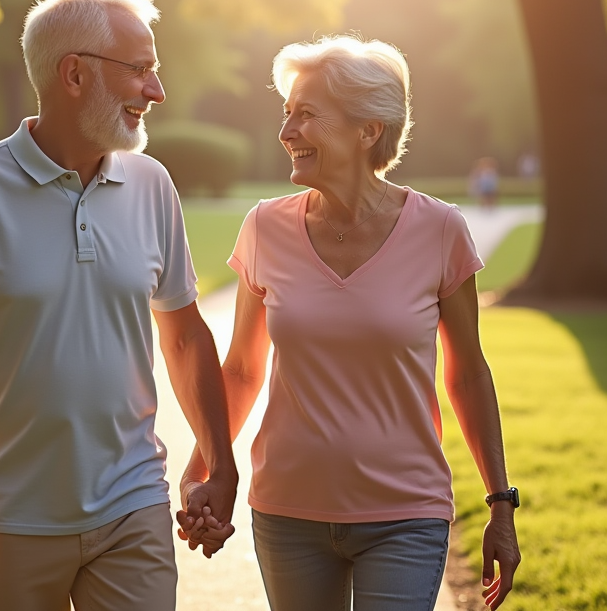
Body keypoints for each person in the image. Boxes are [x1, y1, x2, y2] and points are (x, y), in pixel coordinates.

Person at [0, 0, 238, 611]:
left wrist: (218, 464)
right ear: (74, 75)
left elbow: (183, 332)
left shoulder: (152, 183)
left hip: (132, 504)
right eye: (140, 70)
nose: (156, 90)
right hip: (7, 517)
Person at [180, 35, 521, 610]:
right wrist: (206, 473)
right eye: (287, 114)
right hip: (287, 511)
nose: (286, 133)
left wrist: (500, 506)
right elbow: (241, 369)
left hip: (404, 514)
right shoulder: (265, 228)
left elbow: (466, 375)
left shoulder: (441, 231)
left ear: (369, 130)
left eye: (307, 115)